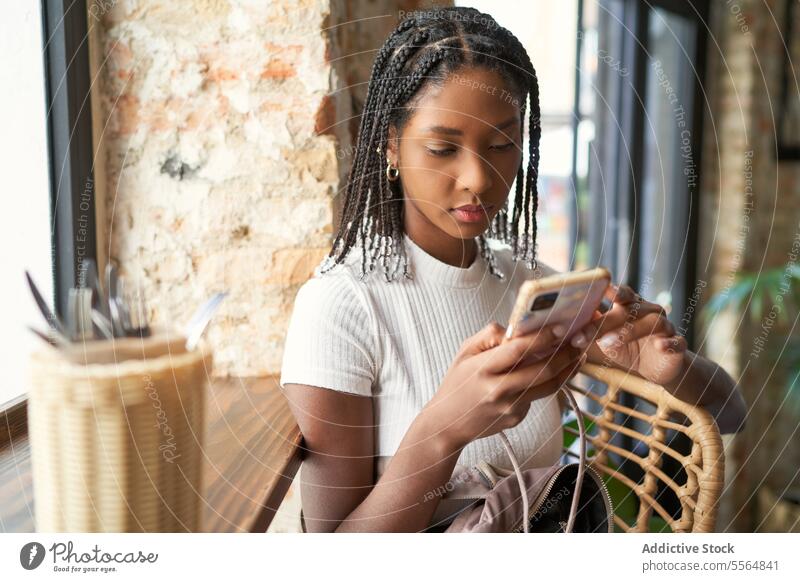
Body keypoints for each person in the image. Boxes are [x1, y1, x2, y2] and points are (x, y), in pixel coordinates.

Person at [279, 6, 746, 533]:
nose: (478, 177)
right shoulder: (342, 307)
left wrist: (668, 368)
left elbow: (731, 414)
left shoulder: (530, 289)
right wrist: (441, 433)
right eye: (442, 148)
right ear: (390, 143)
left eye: (502, 144)